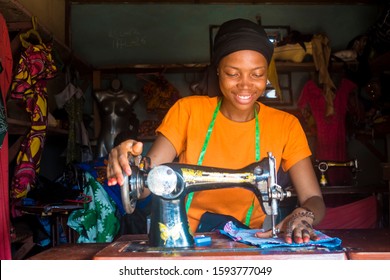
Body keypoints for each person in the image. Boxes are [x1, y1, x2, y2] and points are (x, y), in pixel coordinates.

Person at [107, 18, 326, 244]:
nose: (245, 85)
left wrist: (303, 215)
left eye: (257, 74)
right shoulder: (188, 111)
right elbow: (147, 184)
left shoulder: (286, 125)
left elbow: (312, 197)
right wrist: (128, 166)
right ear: (218, 70)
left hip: (251, 242)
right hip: (186, 240)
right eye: (233, 73)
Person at [93, 78, 139, 158]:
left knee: (124, 167)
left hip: (122, 140)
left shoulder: (131, 96)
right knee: (99, 167)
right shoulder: (100, 95)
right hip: (104, 138)